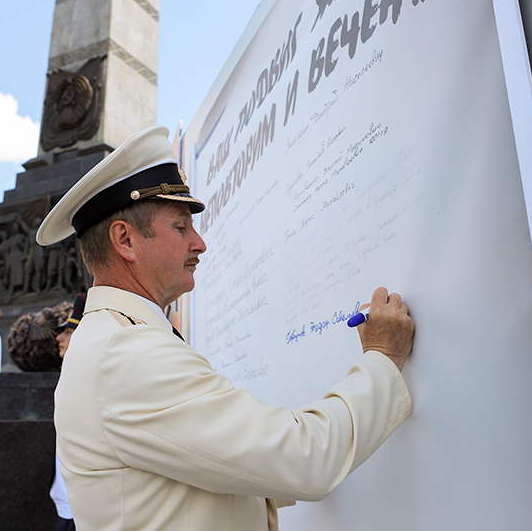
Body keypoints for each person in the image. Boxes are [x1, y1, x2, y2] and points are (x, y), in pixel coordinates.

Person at [36, 126, 414, 531]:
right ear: (125, 240)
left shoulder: (111, 340)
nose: (199, 243)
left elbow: (203, 473)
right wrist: (382, 359)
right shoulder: (126, 353)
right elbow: (306, 459)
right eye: (181, 227)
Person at [49, 294, 85, 531]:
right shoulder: (71, 376)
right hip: (68, 502)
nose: (59, 337)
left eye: (68, 332)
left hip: (80, 508)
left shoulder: (83, 379)